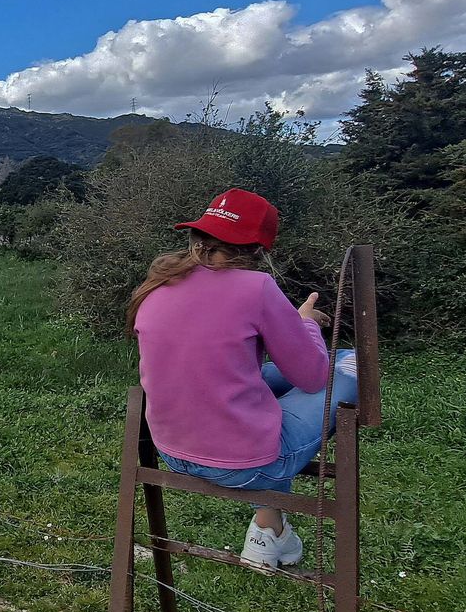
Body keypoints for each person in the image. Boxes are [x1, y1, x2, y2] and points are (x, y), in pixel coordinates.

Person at [127, 188, 358, 570]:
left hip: (173, 451)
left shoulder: (158, 285)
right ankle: (267, 528)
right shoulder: (257, 287)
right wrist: (304, 323)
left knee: (247, 376)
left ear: (198, 235)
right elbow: (315, 376)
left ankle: (269, 530)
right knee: (349, 364)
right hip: (243, 465)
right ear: (258, 248)